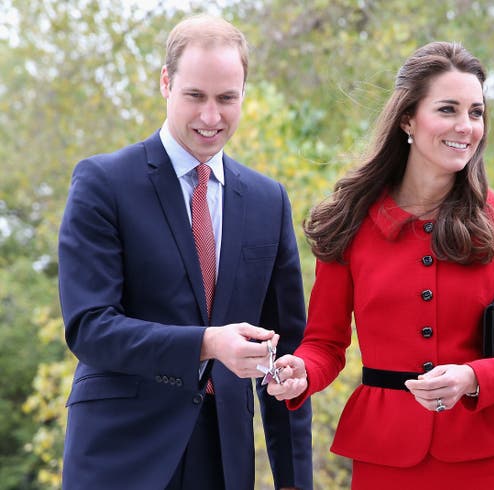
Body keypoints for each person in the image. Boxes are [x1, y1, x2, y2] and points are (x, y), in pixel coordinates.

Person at [267, 41, 494, 489]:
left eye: (476, 112)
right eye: (448, 109)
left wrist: (473, 376)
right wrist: (300, 371)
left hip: (483, 460)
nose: (466, 126)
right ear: (408, 118)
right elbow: (324, 344)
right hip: (383, 457)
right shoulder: (351, 223)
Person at [58, 14, 312, 490]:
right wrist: (208, 343)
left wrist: (293, 482)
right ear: (165, 83)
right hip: (120, 458)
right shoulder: (102, 183)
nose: (211, 117)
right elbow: (90, 328)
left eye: (226, 99)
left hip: (225, 460)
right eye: (196, 96)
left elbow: (287, 351)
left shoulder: (268, 200)